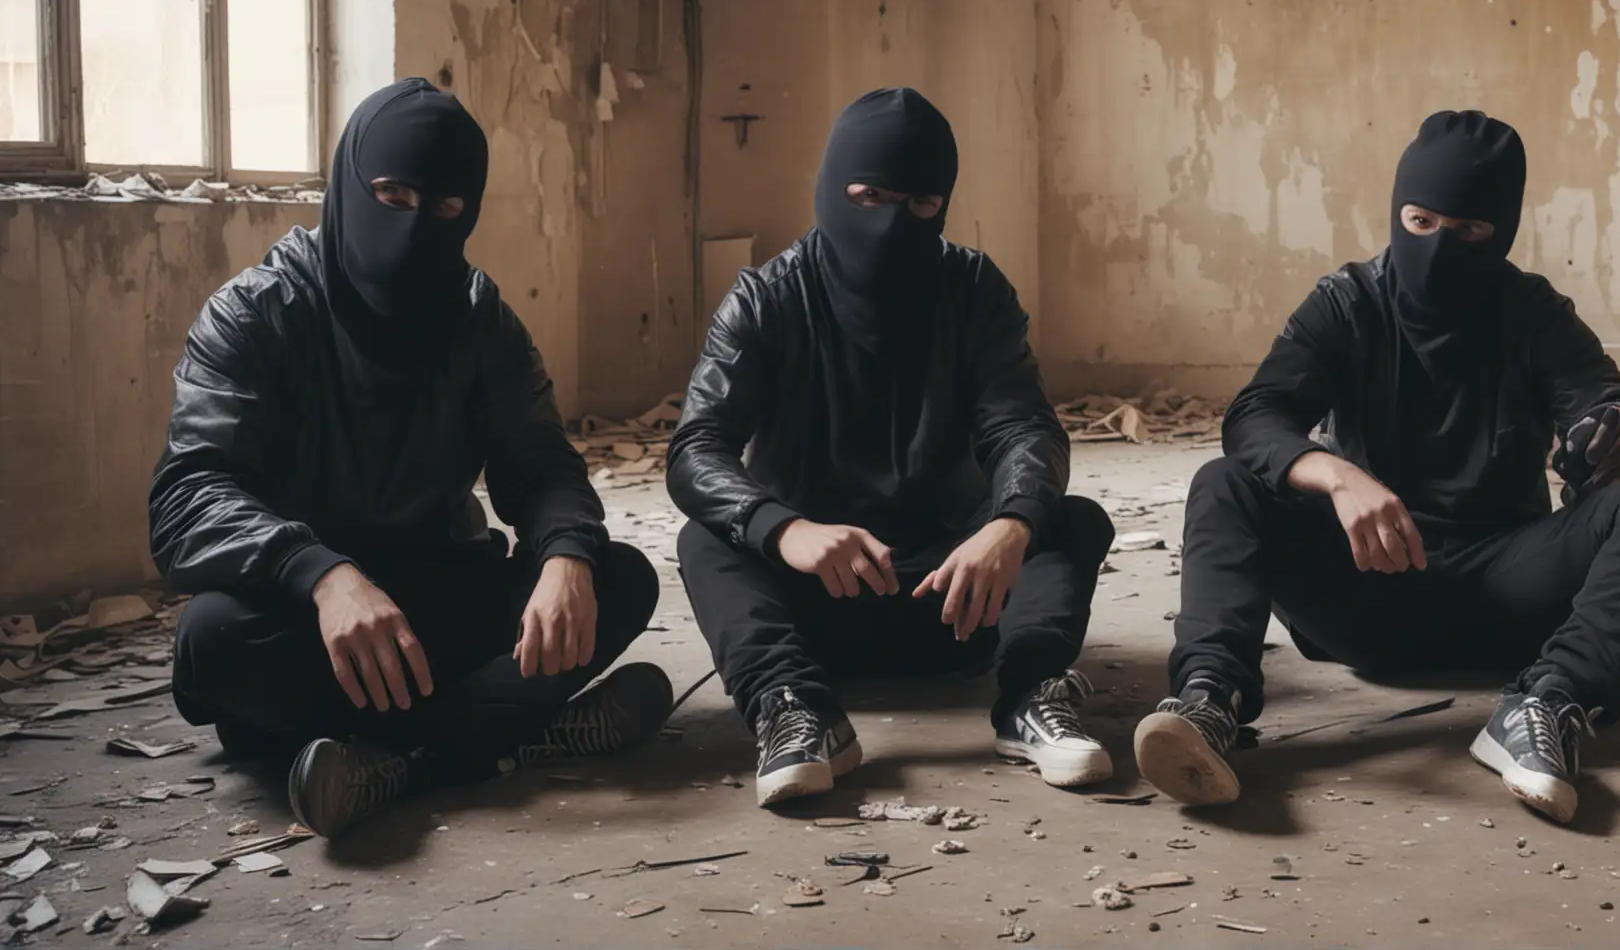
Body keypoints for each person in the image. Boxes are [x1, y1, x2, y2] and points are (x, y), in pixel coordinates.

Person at [1136, 110, 1620, 824]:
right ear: (1395, 212)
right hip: (1367, 584)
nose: (1441, 247)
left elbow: (1607, 395)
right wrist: (1338, 476)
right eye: (1419, 222)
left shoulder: (1531, 312)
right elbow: (1255, 417)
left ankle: (1551, 702)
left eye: (1469, 233)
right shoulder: (1345, 303)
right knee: (1223, 485)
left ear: (1500, 231)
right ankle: (1208, 703)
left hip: (1513, 590)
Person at [150, 79, 670, 838]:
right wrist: (321, 574)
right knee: (212, 643)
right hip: (305, 616)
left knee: (616, 578)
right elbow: (186, 496)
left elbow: (541, 463)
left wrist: (565, 554)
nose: (414, 226)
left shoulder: (478, 319)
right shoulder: (257, 312)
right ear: (351, 182)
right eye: (392, 197)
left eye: (445, 209)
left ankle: (395, 763)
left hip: (435, 594)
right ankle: (505, 730)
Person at [668, 87, 1117, 808]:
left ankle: (1030, 695)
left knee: (1070, 519)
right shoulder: (765, 300)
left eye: (919, 206)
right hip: (815, 598)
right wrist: (785, 530)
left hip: (957, 596)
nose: (890, 225)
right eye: (869, 196)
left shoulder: (974, 291)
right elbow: (698, 448)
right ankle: (794, 709)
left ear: (943, 203)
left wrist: (1009, 526)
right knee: (706, 539)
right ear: (831, 189)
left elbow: (1023, 427)